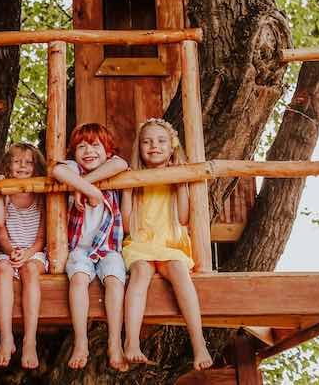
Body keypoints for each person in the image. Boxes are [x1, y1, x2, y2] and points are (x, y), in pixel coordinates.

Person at [122, 118, 212, 370]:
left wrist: (180, 184)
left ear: (171, 146)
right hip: (141, 243)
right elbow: (128, 226)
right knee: (139, 274)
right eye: (147, 142)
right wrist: (127, 189)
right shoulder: (133, 177)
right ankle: (131, 342)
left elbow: (183, 217)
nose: (154, 146)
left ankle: (198, 342)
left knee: (180, 273)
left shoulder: (176, 176)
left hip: (170, 241)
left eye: (161, 141)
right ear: (139, 147)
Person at [49, 122, 130, 371]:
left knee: (116, 280)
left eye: (95, 145)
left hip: (108, 248)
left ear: (108, 150)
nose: (88, 151)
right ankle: (81, 341)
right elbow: (56, 171)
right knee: (78, 279)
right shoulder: (73, 169)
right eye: (81, 146)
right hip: (80, 249)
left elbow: (121, 164)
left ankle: (115, 342)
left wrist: (84, 187)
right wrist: (86, 189)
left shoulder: (111, 169)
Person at [0, 143, 48, 368]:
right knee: (2, 269)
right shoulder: (6, 193)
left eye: (28, 162)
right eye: (17, 161)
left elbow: (42, 237)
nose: (22, 166)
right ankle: (6, 337)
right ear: (7, 165)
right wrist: (11, 251)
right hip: (8, 250)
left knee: (30, 270)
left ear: (36, 166)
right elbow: (0, 231)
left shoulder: (41, 195)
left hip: (34, 252)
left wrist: (28, 253)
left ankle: (29, 340)